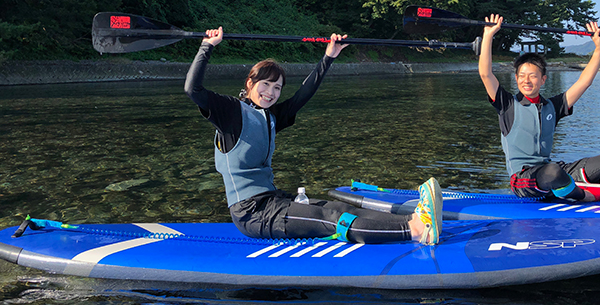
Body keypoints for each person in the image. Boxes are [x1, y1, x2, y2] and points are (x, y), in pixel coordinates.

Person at [185, 26, 443, 244]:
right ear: (250, 84)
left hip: (273, 199)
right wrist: (207, 46)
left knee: (340, 208)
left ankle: (415, 218)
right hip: (251, 213)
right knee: (331, 220)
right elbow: (192, 89)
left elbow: (303, 95)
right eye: (265, 84)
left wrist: (328, 57)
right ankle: (416, 231)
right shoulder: (230, 112)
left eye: (277, 87)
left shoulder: (270, 116)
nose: (271, 92)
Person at [479, 14, 600, 204]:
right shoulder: (507, 105)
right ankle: (584, 195)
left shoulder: (552, 107)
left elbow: (584, 82)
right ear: (516, 78)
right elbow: (486, 74)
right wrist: (488, 35)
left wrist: (599, 49)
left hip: (552, 172)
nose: (526, 80)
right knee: (554, 172)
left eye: (532, 76)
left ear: (543, 80)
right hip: (524, 181)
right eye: (521, 76)